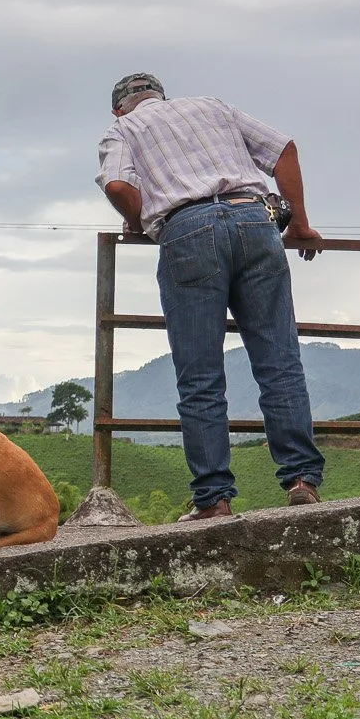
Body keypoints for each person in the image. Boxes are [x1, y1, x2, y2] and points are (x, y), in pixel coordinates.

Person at [95, 73, 326, 520]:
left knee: (200, 375)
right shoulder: (213, 106)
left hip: (189, 232)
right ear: (161, 95)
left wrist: (139, 219)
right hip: (255, 221)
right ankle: (301, 480)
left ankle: (214, 499)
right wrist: (298, 223)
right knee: (279, 361)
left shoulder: (121, 130)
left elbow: (119, 187)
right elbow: (284, 151)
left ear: (119, 108)